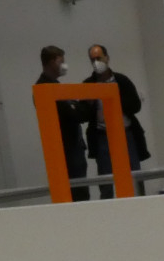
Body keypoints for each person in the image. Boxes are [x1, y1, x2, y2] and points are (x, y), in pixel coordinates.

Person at [83, 43, 150, 198]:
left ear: (107, 58)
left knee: (134, 175)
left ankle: (140, 203)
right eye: (92, 60)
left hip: (126, 134)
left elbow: (135, 106)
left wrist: (115, 97)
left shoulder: (121, 80)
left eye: (99, 58)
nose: (96, 63)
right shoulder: (88, 84)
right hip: (102, 136)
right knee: (106, 180)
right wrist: (88, 104)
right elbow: (84, 114)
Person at [35, 45, 89, 202]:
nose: (64, 65)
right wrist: (80, 106)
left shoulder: (56, 85)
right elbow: (73, 114)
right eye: (61, 61)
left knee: (80, 191)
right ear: (52, 62)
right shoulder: (43, 87)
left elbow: (75, 110)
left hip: (73, 147)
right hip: (66, 148)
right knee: (76, 193)